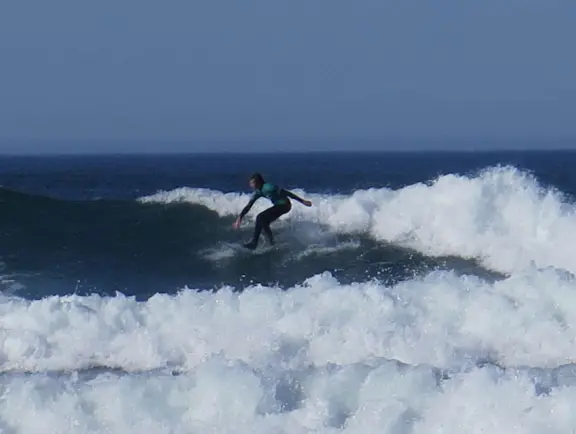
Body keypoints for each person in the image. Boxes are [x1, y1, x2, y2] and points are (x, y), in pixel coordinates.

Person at [233, 173, 312, 249]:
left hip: (285, 205)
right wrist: (239, 218)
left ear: (257, 182)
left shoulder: (269, 187)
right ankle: (255, 243)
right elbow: (249, 205)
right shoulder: (259, 191)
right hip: (278, 206)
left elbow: (287, 193)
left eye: (251, 183)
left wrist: (303, 201)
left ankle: (271, 242)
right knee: (262, 220)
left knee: (260, 217)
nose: (250, 185)